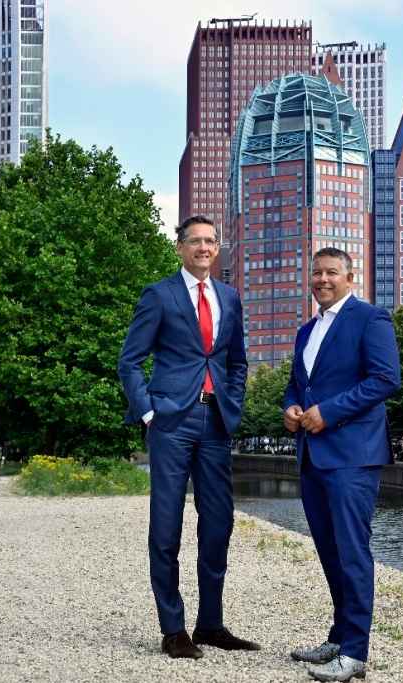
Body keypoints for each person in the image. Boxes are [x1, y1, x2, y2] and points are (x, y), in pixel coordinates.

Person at [118, 215, 255, 660]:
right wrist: (148, 412)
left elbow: (237, 361)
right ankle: (173, 629)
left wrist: (233, 405)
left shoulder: (230, 297)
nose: (203, 247)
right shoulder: (159, 295)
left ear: (217, 248)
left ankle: (210, 624)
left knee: (218, 523)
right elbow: (129, 361)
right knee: (166, 525)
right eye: (194, 241)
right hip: (171, 422)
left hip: (215, 422)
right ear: (179, 247)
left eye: (210, 241)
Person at [282, 247, 401, 682]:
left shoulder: (371, 319)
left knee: (352, 552)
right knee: (330, 552)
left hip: (353, 456)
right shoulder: (306, 331)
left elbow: (386, 379)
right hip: (312, 455)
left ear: (351, 277)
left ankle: (354, 654)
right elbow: (297, 385)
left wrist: (328, 412)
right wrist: (290, 408)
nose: (323, 279)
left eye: (332, 272)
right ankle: (339, 637)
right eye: (316, 272)